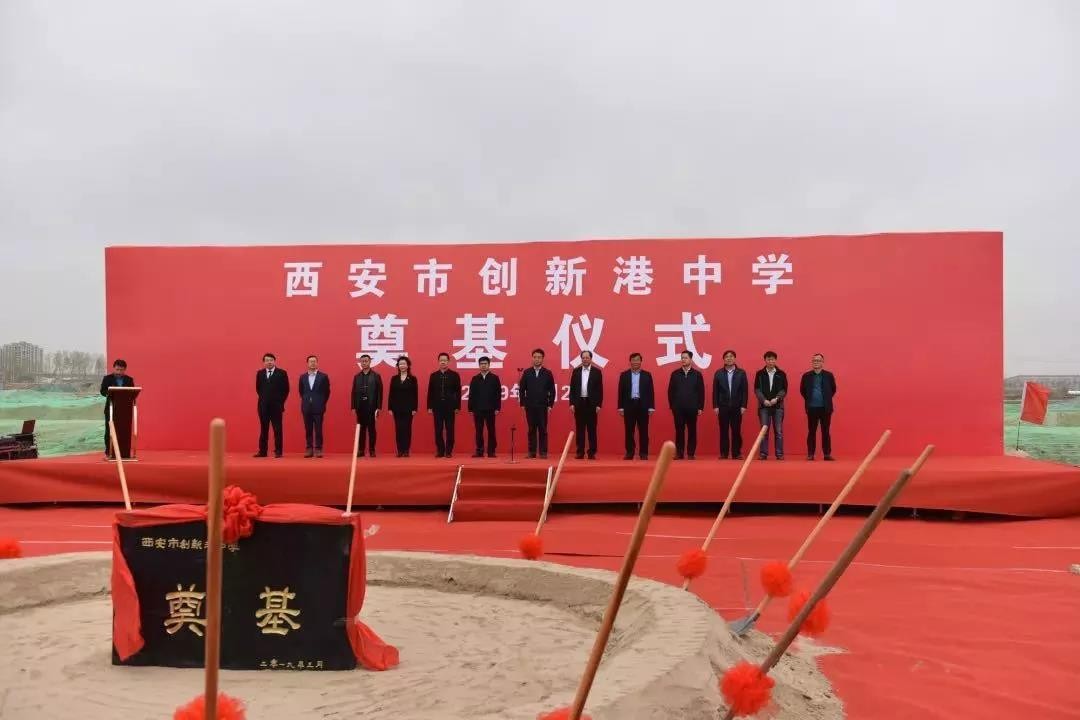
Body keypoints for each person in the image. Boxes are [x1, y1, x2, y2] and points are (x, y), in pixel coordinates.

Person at [519, 348, 556, 459]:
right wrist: (522, 403)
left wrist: (550, 405)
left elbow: (552, 390)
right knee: (531, 429)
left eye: (539, 357)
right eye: (535, 357)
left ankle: (543, 452)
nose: (537, 359)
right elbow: (522, 389)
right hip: (530, 406)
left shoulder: (547, 373)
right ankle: (532, 452)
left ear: (542, 359)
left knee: (543, 429)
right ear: (532, 358)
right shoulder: (527, 372)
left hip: (543, 406)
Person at [667, 350, 705, 460]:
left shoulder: (697, 374)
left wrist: (700, 407)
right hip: (678, 408)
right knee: (679, 431)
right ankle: (679, 453)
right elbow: (670, 391)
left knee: (692, 430)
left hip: (692, 407)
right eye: (682, 358)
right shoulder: (675, 374)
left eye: (685, 358)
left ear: (691, 359)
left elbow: (701, 391)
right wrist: (673, 406)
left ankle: (691, 453)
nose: (683, 360)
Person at [800, 353, 837, 461]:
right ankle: (810, 454)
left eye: (818, 360)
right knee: (811, 431)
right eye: (814, 360)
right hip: (812, 408)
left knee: (825, 431)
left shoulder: (828, 375)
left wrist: (826, 399)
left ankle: (827, 454)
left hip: (825, 408)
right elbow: (802, 390)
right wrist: (810, 399)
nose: (816, 362)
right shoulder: (806, 376)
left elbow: (833, 389)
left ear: (822, 362)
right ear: (812, 362)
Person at [617, 352, 654, 460]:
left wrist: (651, 407)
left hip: (643, 405)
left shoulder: (647, 375)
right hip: (629, 405)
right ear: (630, 362)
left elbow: (651, 392)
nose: (635, 362)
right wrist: (620, 407)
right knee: (629, 431)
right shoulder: (624, 375)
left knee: (643, 431)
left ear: (641, 361)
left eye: (637, 360)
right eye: (633, 360)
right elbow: (620, 392)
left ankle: (643, 453)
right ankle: (630, 452)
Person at [712, 350, 748, 459]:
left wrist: (744, 405)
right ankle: (724, 453)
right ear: (724, 359)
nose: (729, 358)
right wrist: (715, 406)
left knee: (736, 430)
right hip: (723, 406)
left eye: (731, 356)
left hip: (737, 406)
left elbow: (744, 390)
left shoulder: (741, 373)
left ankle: (736, 453)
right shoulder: (718, 373)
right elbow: (715, 391)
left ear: (734, 358)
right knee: (723, 430)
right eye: (727, 356)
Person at [754, 350, 788, 460]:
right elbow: (757, 389)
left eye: (772, 359)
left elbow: (784, 390)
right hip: (764, 407)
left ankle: (779, 454)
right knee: (764, 431)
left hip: (778, 407)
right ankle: (763, 454)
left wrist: (777, 399)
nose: (770, 361)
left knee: (778, 431)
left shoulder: (781, 374)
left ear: (775, 360)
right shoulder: (760, 374)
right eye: (768, 359)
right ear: (765, 360)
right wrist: (763, 400)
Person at [569, 350, 603, 459]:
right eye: (583, 358)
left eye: (587, 358)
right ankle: (580, 452)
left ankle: (592, 452)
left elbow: (600, 390)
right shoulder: (576, 371)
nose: (585, 359)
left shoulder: (597, 372)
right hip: (579, 403)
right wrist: (571, 403)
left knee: (592, 429)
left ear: (591, 359)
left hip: (591, 403)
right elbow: (572, 389)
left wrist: (598, 404)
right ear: (581, 359)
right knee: (580, 429)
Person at [427, 352, 462, 458]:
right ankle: (440, 450)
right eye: (441, 360)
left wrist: (457, 406)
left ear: (448, 361)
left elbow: (458, 392)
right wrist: (429, 406)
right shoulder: (433, 376)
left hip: (450, 406)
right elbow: (430, 392)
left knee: (450, 429)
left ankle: (449, 451)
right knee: (438, 429)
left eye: (445, 360)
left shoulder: (454, 375)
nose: (443, 362)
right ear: (438, 362)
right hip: (437, 406)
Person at [254, 353, 289, 458]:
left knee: (277, 429)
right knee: (263, 429)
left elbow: (286, 390)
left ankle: (278, 451)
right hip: (263, 406)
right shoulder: (260, 373)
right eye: (267, 360)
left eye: (271, 360)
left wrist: (280, 402)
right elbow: (258, 389)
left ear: (274, 361)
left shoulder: (282, 373)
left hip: (276, 407)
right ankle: (262, 451)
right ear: (264, 362)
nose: (269, 362)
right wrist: (264, 400)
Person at [468, 356, 501, 457]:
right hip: (478, 409)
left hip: (491, 408)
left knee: (491, 430)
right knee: (479, 431)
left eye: (485, 364)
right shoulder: (475, 378)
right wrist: (470, 408)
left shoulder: (494, 378)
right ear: (479, 365)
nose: (483, 366)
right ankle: (479, 450)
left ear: (489, 365)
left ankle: (491, 451)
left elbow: (498, 394)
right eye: (481, 364)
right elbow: (471, 394)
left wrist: (497, 407)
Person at [100, 359, 134, 459]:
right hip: (111, 408)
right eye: (117, 369)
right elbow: (102, 391)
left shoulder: (129, 380)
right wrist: (110, 393)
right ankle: (109, 452)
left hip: (125, 410)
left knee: (124, 431)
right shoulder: (107, 378)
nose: (119, 372)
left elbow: (132, 392)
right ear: (114, 368)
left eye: (121, 370)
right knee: (109, 431)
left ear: (125, 369)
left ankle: (124, 453)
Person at [298, 355, 330, 458]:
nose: (313, 363)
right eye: (311, 361)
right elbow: (301, 392)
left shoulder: (323, 377)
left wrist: (321, 402)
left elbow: (327, 392)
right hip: (306, 407)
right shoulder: (302, 377)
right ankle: (309, 448)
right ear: (307, 363)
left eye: (314, 361)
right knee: (308, 429)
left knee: (318, 429)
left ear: (317, 363)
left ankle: (318, 449)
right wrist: (307, 400)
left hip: (318, 407)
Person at [351, 354, 383, 457]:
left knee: (372, 429)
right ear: (360, 363)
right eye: (362, 361)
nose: (364, 363)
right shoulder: (357, 377)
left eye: (366, 361)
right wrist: (353, 406)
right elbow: (353, 392)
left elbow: (380, 392)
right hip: (360, 406)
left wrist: (379, 407)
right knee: (361, 429)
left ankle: (372, 450)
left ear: (370, 362)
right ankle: (361, 450)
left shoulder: (376, 376)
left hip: (372, 406)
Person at [388, 355, 418, 457]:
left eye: (404, 364)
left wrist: (414, 408)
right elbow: (391, 394)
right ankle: (400, 450)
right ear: (398, 366)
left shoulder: (413, 379)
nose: (402, 366)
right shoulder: (394, 378)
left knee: (407, 429)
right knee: (398, 429)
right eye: (400, 364)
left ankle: (406, 450)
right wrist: (390, 407)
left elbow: (415, 394)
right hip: (396, 408)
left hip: (409, 408)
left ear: (408, 365)